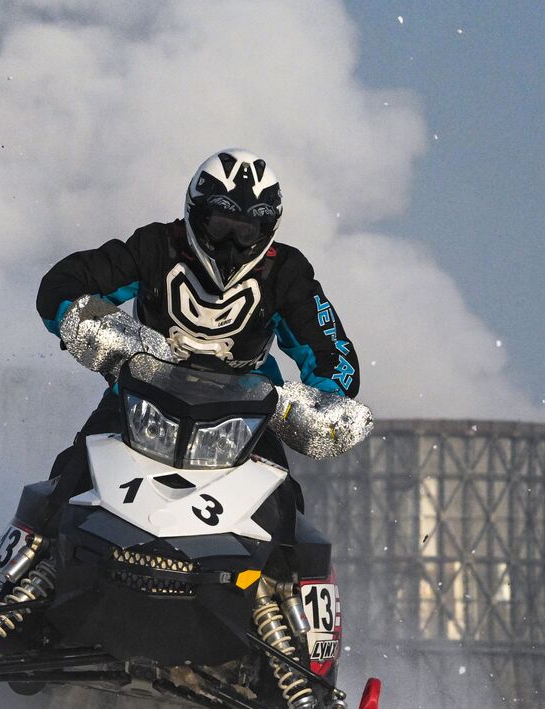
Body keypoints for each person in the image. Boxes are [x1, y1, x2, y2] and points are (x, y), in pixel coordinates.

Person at [34, 148, 366, 524]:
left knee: (287, 511)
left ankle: (289, 585)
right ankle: (24, 574)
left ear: (267, 229)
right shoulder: (157, 246)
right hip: (137, 404)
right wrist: (97, 325)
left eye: (246, 232)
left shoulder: (286, 272)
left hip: (245, 424)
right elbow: (63, 282)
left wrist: (318, 403)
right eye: (221, 225)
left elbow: (335, 352)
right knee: (67, 483)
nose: (231, 245)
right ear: (196, 212)